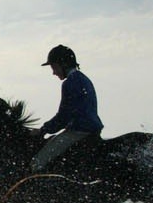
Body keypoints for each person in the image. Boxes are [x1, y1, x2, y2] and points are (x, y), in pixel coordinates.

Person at [32, 44, 102, 172]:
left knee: (38, 162)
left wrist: (43, 130)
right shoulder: (83, 79)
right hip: (92, 130)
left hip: (79, 131)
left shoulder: (70, 82)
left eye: (54, 67)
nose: (53, 72)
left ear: (63, 64)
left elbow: (64, 116)